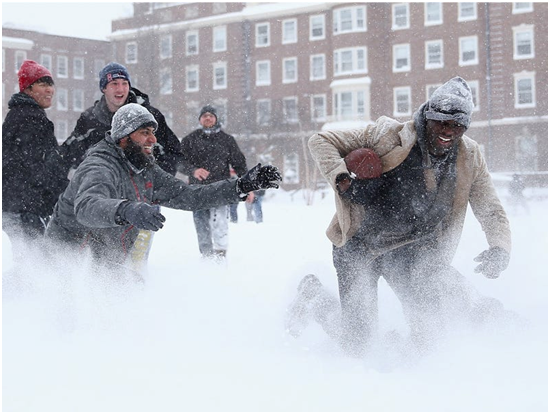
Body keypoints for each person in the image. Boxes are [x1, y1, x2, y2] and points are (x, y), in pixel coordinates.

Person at [287, 77, 512, 357]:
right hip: (361, 246)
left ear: (465, 126)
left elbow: (490, 207)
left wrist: (500, 248)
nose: (447, 130)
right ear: (427, 117)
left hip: (411, 251)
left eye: (456, 125)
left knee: (430, 334)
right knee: (358, 344)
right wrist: (341, 177)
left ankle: (408, 368)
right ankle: (315, 298)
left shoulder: (470, 157)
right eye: (440, 121)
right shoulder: (390, 135)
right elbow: (321, 140)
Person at [45, 103, 281, 274]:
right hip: (70, 256)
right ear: (123, 137)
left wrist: (241, 185)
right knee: (74, 323)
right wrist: (127, 210)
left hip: (109, 254)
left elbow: (190, 196)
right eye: (144, 133)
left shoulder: (143, 168)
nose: (153, 140)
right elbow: (87, 207)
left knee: (116, 312)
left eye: (153, 133)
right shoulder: (100, 165)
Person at [61, 62, 182, 175]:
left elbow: (174, 151)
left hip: (143, 192)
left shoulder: (150, 116)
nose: (120, 89)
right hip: (106, 189)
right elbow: (67, 156)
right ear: (104, 88)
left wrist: (155, 183)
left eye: (124, 83)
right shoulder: (89, 119)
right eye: (114, 83)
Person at [2, 60, 69, 257]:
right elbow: (37, 168)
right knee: (33, 266)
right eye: (43, 84)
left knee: (23, 264)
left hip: (16, 206)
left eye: (51, 84)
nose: (50, 90)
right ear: (28, 89)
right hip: (25, 210)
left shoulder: (19, 115)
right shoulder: (31, 119)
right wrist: (64, 191)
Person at [179, 105, 248, 259]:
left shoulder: (227, 140)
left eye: (211, 115)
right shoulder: (190, 140)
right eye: (204, 115)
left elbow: (239, 164)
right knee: (201, 225)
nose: (208, 118)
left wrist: (248, 186)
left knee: (220, 224)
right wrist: (193, 170)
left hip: (221, 189)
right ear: (200, 119)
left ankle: (220, 255)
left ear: (216, 118)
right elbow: (179, 161)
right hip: (197, 190)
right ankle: (207, 257)